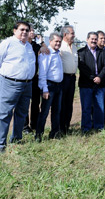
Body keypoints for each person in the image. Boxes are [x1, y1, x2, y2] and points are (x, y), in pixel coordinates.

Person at [0, 21, 35, 153]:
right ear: (15, 30)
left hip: (27, 84)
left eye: (27, 30)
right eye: (22, 29)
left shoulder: (28, 46)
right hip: (10, 83)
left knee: (22, 113)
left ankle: (16, 140)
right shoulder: (8, 43)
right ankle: (1, 144)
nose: (25, 32)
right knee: (4, 114)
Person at [78, 32, 105, 133]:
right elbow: (82, 68)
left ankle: (99, 127)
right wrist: (93, 78)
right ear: (87, 39)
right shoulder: (81, 52)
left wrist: (99, 77)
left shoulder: (102, 52)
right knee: (86, 107)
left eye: (96, 39)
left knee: (99, 107)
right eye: (92, 39)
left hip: (100, 84)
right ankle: (86, 128)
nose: (94, 41)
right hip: (86, 84)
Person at [35, 33, 64, 142]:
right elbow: (42, 73)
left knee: (56, 111)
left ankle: (54, 134)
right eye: (56, 41)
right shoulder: (46, 53)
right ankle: (38, 135)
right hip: (49, 86)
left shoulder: (57, 54)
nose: (58, 43)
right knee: (44, 112)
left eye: (60, 42)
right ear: (50, 41)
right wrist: (45, 89)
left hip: (58, 86)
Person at [23, 25, 42, 134]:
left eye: (33, 31)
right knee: (24, 103)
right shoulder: (23, 45)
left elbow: (45, 49)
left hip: (35, 78)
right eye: (30, 30)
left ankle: (34, 124)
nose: (32, 32)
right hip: (25, 79)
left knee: (35, 102)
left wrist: (42, 42)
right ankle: (25, 127)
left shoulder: (35, 46)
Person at [59, 25, 78, 134]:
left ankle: (67, 126)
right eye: (72, 33)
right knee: (62, 103)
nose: (74, 35)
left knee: (69, 103)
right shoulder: (60, 46)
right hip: (63, 78)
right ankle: (60, 127)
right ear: (65, 34)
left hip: (72, 78)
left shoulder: (74, 47)